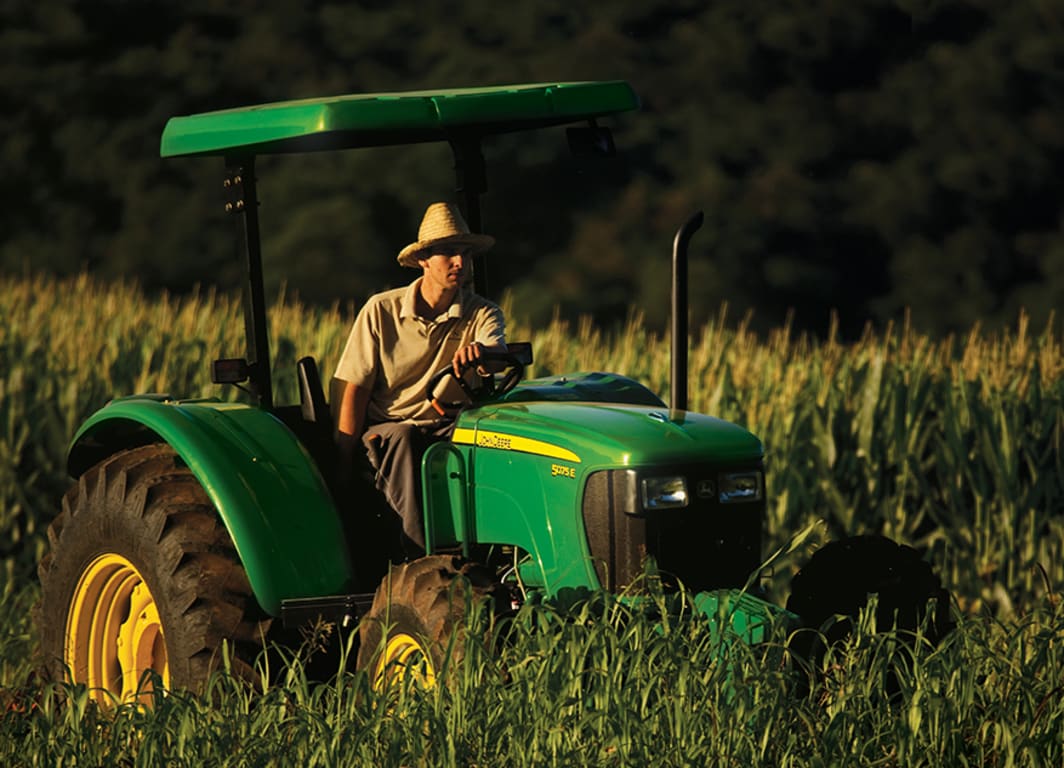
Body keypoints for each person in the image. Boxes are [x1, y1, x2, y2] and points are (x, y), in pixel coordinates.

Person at [334, 201, 506, 554]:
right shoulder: (381, 311)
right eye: (448, 253)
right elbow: (354, 389)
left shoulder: (482, 313)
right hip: (390, 429)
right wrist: (341, 464)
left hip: (451, 422)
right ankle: (417, 554)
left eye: (465, 254)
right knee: (405, 437)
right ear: (424, 260)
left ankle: (496, 549)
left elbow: (496, 353)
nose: (459, 262)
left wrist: (484, 356)